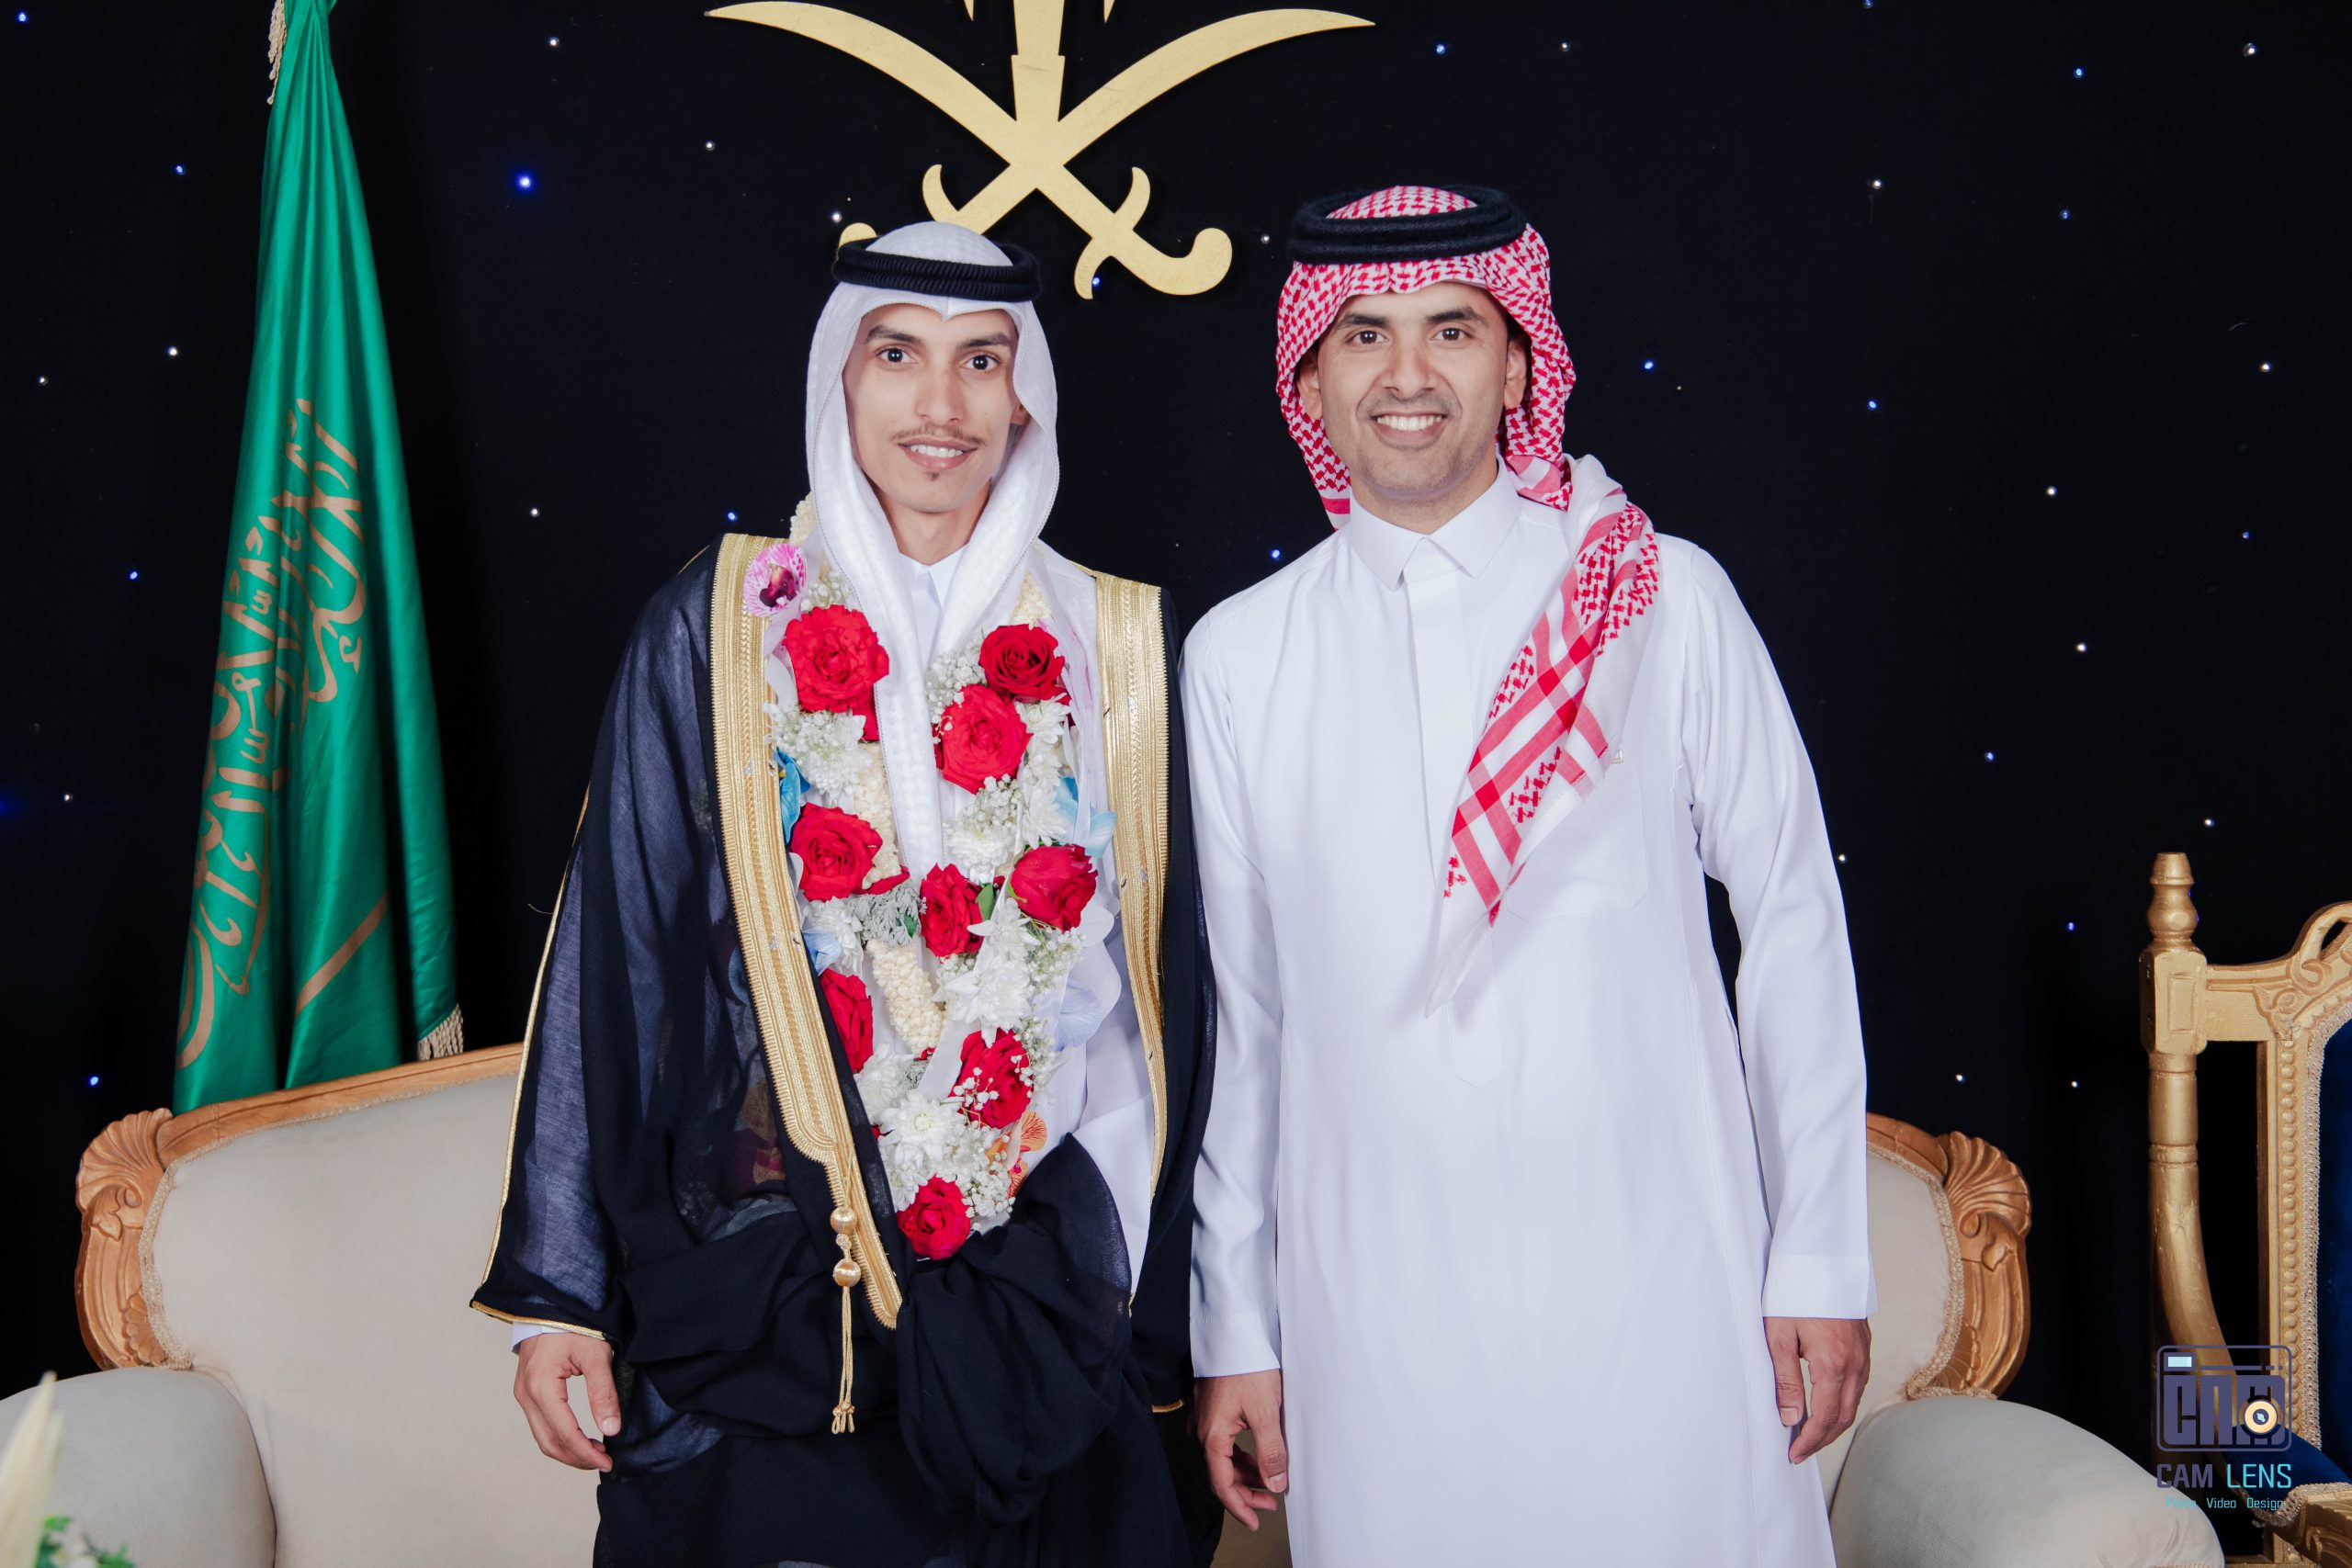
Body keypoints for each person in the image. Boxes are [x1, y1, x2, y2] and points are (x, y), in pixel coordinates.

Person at [471, 220, 1220, 1568]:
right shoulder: (720, 625)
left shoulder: (1115, 642)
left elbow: (1160, 1010)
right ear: (842, 381)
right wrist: (559, 1293)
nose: (941, 405)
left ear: (1025, 396)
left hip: (1037, 1286)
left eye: (980, 361)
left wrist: (1129, 1278)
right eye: (898, 355)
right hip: (772, 1278)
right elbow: (616, 956)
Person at [1182, 184, 1875, 1564]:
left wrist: (1819, 1255)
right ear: (1309, 380)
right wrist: (1237, 1326)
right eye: (1364, 335)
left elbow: (1793, 920)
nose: (1407, 375)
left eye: (1453, 329)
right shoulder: (1240, 656)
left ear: (1517, 365)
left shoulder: (1658, 596)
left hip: (1662, 1287)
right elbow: (1250, 1025)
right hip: (1376, 1319)